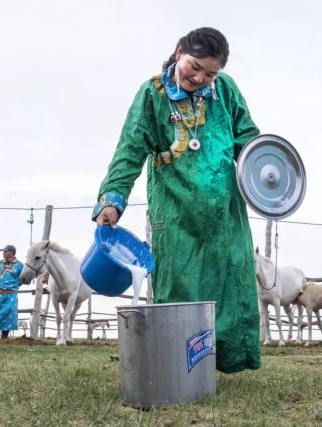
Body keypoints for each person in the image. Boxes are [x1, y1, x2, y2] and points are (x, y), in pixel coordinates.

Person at [92, 27, 261, 373]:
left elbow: (248, 140)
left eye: (209, 73)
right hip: (176, 210)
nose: (199, 78)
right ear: (179, 51)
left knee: (230, 283)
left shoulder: (225, 91)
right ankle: (181, 368)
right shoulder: (152, 95)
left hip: (225, 213)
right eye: (194, 66)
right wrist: (112, 200)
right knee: (180, 285)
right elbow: (130, 150)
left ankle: (221, 363)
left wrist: (267, 172)